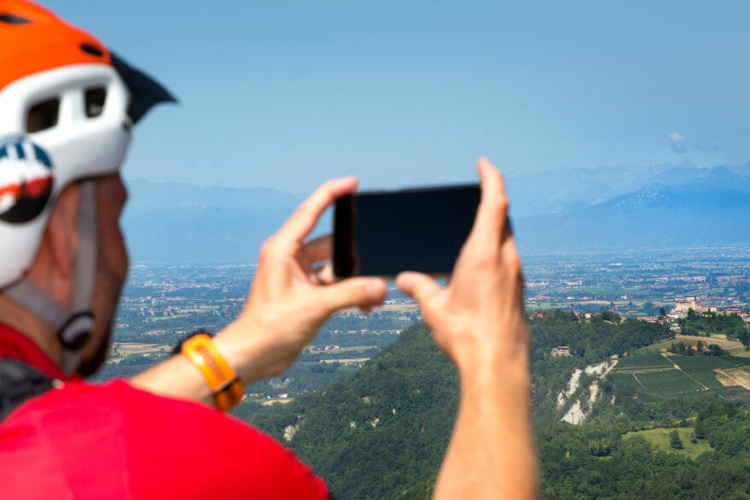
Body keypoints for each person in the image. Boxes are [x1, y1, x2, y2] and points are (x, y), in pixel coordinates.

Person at [0, 1, 539, 498]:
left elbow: (72, 446)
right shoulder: (179, 465)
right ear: (62, 226)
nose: (121, 250)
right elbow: (108, 456)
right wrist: (496, 357)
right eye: (116, 212)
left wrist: (242, 348)